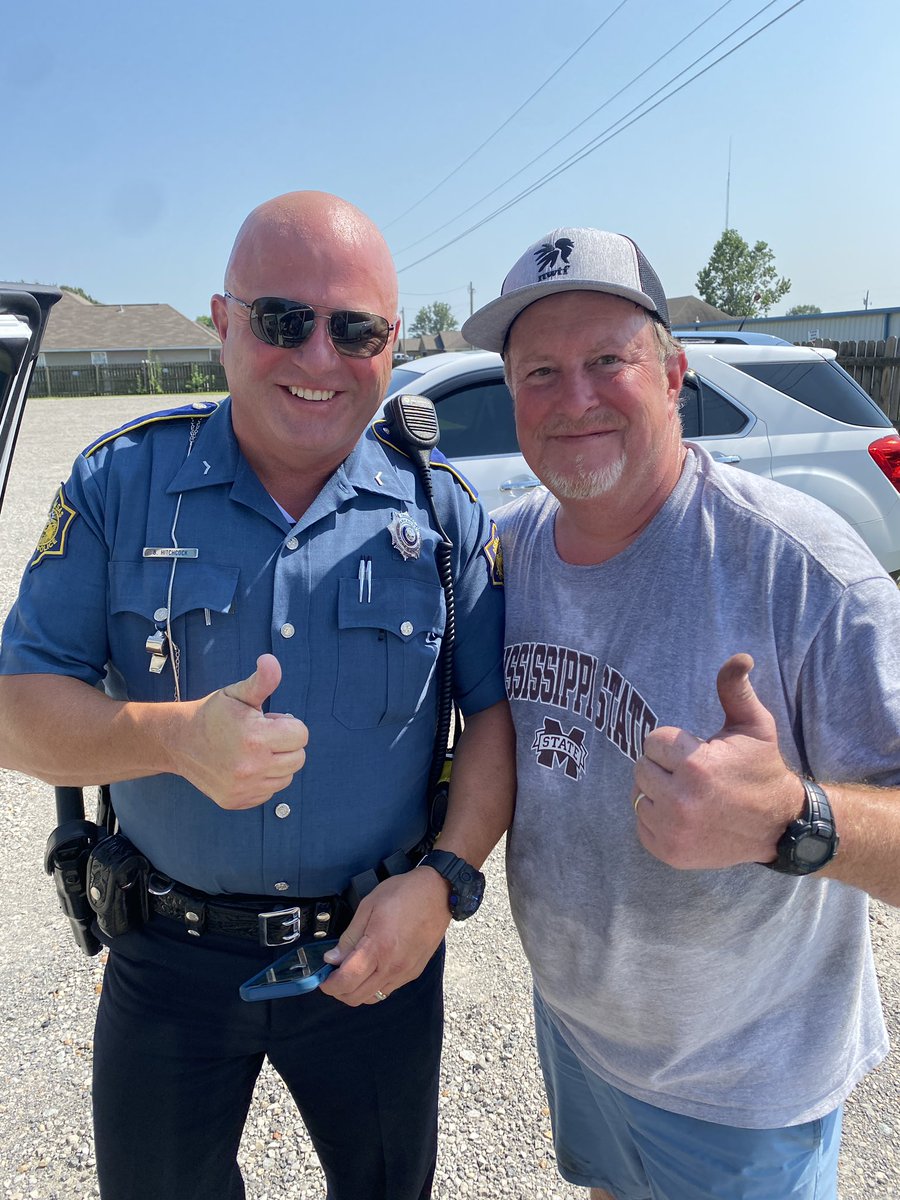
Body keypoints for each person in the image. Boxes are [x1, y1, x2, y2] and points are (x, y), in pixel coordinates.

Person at [0, 191, 514, 1200]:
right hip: (168, 961)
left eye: (354, 329)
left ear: (391, 344)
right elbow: (17, 704)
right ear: (223, 322)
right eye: (283, 320)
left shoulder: (441, 511)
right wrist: (174, 737)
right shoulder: (120, 484)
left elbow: (492, 712)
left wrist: (444, 881)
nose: (318, 358)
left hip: (378, 945)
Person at [460, 226, 900, 1200]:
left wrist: (795, 819)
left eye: (607, 360)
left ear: (673, 375)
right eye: (539, 372)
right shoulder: (509, 555)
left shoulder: (797, 569)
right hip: (582, 1035)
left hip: (747, 1088)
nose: (572, 398)